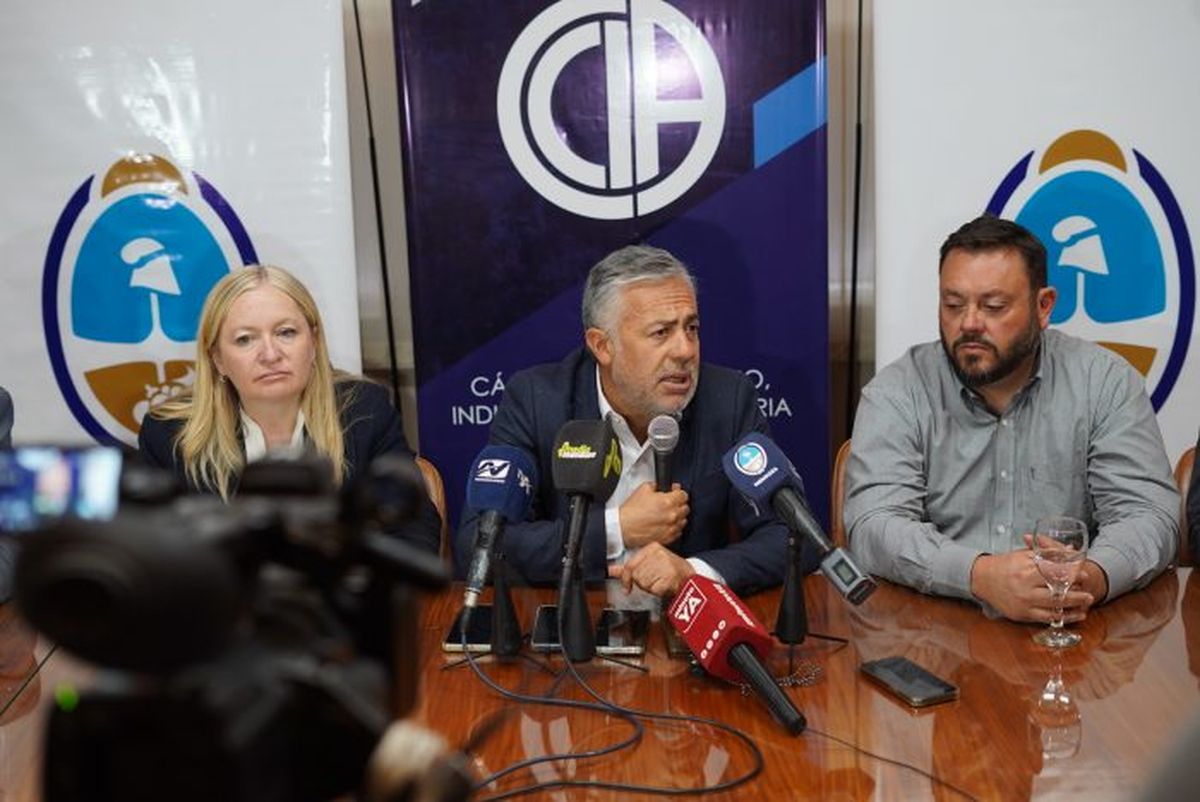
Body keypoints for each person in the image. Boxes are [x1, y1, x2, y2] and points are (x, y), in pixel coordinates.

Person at [844, 215, 1178, 623]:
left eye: (993, 306)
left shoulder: (1104, 383)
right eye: (953, 304)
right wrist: (980, 576)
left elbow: (1148, 515)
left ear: (1044, 306)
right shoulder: (899, 391)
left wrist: (1088, 577)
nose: (969, 323)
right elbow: (873, 524)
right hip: (936, 631)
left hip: (1073, 633)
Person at [455, 244, 817, 598]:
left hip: (686, 630)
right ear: (602, 346)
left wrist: (693, 572)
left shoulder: (729, 400)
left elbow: (796, 535)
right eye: (661, 333)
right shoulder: (537, 401)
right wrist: (617, 529)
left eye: (691, 328)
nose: (685, 350)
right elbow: (479, 543)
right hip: (576, 623)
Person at [138, 265, 440, 554]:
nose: (270, 354)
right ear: (217, 359)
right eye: (245, 339)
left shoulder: (366, 411)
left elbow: (413, 529)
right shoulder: (169, 434)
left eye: (286, 333)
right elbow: (151, 550)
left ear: (314, 341)